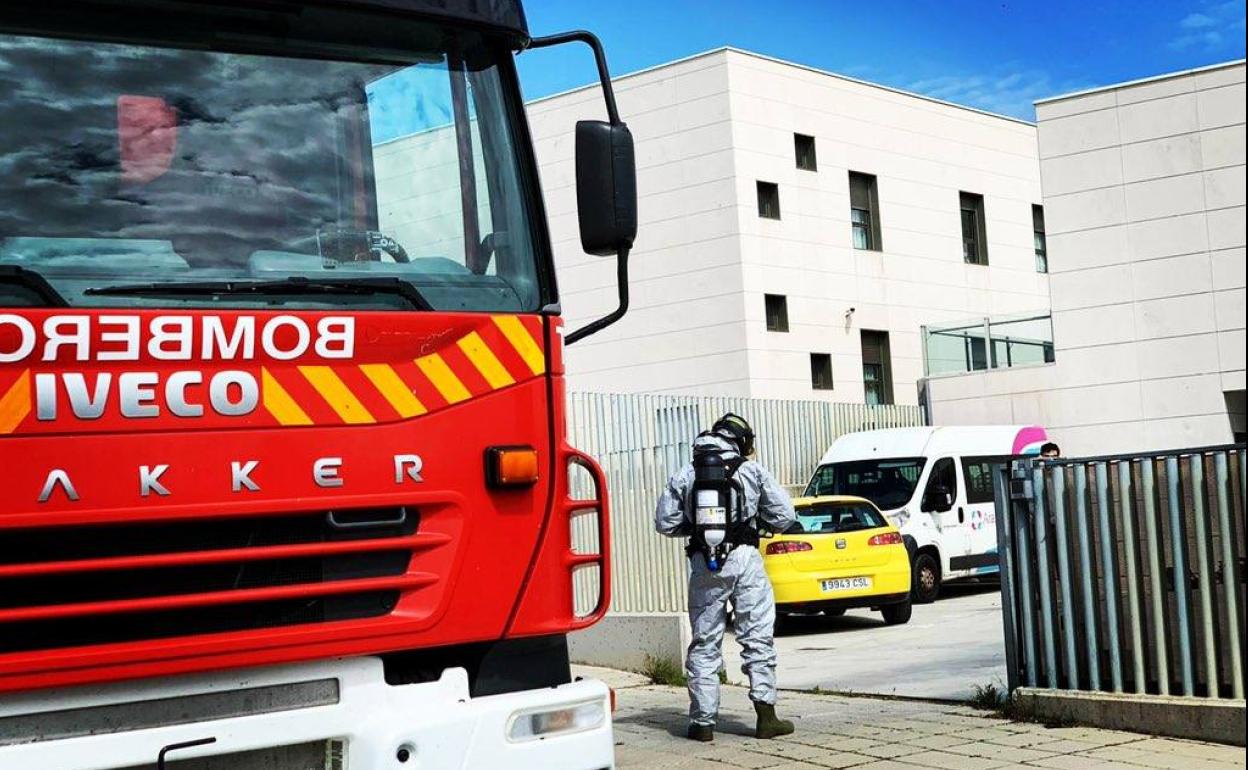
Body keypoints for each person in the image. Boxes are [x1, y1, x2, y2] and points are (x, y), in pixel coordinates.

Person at [654, 413, 797, 743]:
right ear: (741, 440)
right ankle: (766, 716)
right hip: (746, 559)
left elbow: (665, 522)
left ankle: (702, 724)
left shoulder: (687, 472)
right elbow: (784, 515)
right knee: (756, 636)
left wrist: (698, 528)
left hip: (705, 562)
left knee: (705, 641)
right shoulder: (751, 470)